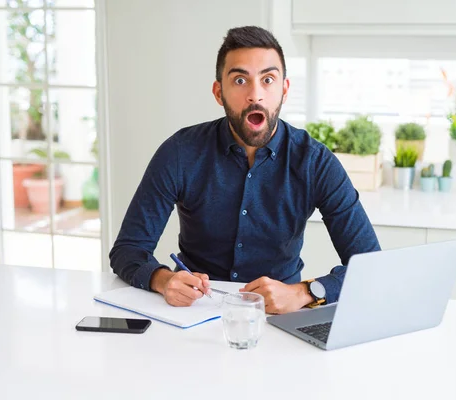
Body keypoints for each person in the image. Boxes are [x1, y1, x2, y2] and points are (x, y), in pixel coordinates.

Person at [109, 26, 381, 314]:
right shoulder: (179, 152)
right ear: (219, 92)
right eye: (240, 80)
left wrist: (304, 292)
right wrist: (163, 280)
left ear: (284, 90)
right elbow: (128, 250)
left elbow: (371, 265)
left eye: (268, 80)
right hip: (196, 312)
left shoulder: (316, 162)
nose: (255, 95)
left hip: (280, 317)